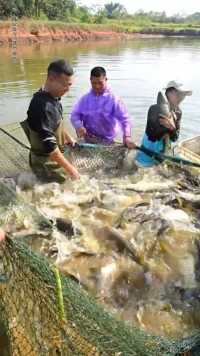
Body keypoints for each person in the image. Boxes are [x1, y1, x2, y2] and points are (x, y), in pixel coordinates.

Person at [21, 59, 80, 183]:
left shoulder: (53, 96)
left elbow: (56, 124)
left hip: (55, 158)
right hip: (46, 164)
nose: (67, 89)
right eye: (64, 85)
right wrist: (72, 171)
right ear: (51, 79)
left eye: (69, 85)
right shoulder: (42, 106)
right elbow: (51, 149)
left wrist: (68, 137)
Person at [70, 66, 135, 148]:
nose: (97, 86)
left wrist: (127, 137)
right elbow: (74, 115)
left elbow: (125, 120)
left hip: (108, 141)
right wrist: (79, 126)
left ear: (106, 80)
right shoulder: (85, 99)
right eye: (94, 83)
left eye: (100, 83)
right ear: (90, 80)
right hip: (89, 139)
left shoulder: (114, 100)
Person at [136, 81, 192, 167]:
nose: (181, 98)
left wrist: (172, 128)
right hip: (147, 152)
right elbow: (152, 136)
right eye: (178, 94)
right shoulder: (154, 110)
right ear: (168, 93)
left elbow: (174, 138)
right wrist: (166, 128)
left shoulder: (178, 112)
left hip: (164, 154)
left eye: (183, 95)